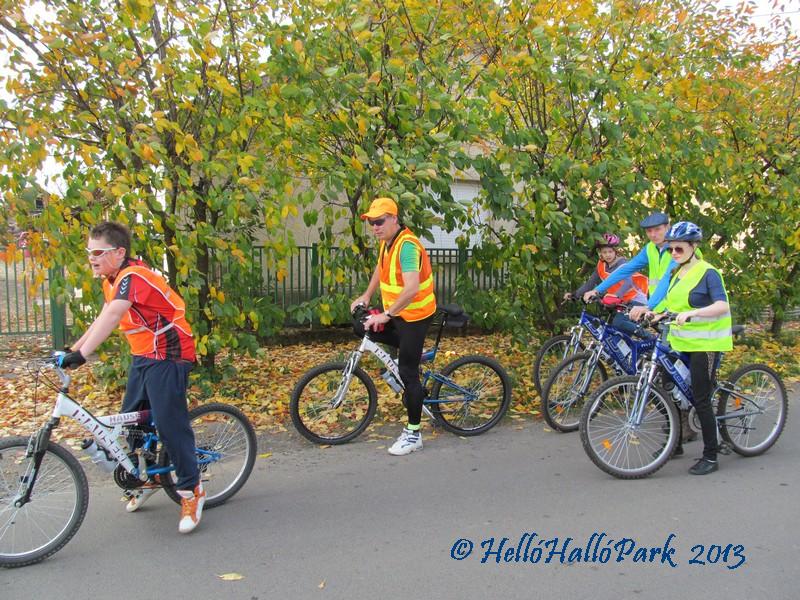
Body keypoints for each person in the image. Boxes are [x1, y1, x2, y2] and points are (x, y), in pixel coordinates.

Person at [57, 221, 205, 532]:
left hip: (169, 353)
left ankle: (192, 490)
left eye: (98, 252)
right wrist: (73, 349)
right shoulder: (111, 280)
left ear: (120, 252)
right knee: (132, 420)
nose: (92, 258)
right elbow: (103, 315)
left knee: (169, 423)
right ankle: (149, 476)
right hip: (144, 354)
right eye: (89, 252)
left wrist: (83, 356)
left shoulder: (133, 276)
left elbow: (113, 316)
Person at [635, 221, 732, 475]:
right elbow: (668, 303)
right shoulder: (676, 273)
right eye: (671, 250)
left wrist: (693, 314)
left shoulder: (708, 272)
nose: (674, 254)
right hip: (681, 341)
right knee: (670, 388)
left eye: (679, 249)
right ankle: (674, 443)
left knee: (700, 398)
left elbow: (722, 306)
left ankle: (710, 456)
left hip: (705, 343)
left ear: (693, 246)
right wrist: (653, 314)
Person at [350, 197, 437, 456]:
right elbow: (381, 268)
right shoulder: (387, 243)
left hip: (416, 316)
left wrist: (386, 315)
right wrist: (367, 295)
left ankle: (413, 435)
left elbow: (411, 288)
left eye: (379, 221)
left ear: (394, 219)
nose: (375, 227)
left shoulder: (408, 247)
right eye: (371, 222)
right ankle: (414, 351)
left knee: (408, 372)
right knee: (361, 326)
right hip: (400, 314)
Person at [583, 212, 674, 313]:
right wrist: (597, 290)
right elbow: (626, 269)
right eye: (649, 231)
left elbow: (666, 279)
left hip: (677, 308)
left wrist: (647, 307)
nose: (653, 234)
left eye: (657, 229)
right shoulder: (650, 248)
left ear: (667, 227)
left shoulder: (678, 249)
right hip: (659, 308)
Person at [565, 233, 647, 335]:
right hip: (618, 302)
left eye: (610, 251)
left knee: (618, 322)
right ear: (600, 253)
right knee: (615, 334)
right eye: (604, 252)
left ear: (615, 252)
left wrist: (616, 296)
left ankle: (649, 338)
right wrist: (575, 295)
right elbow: (591, 282)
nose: (608, 255)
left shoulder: (622, 264)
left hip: (634, 299)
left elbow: (628, 282)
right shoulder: (601, 265)